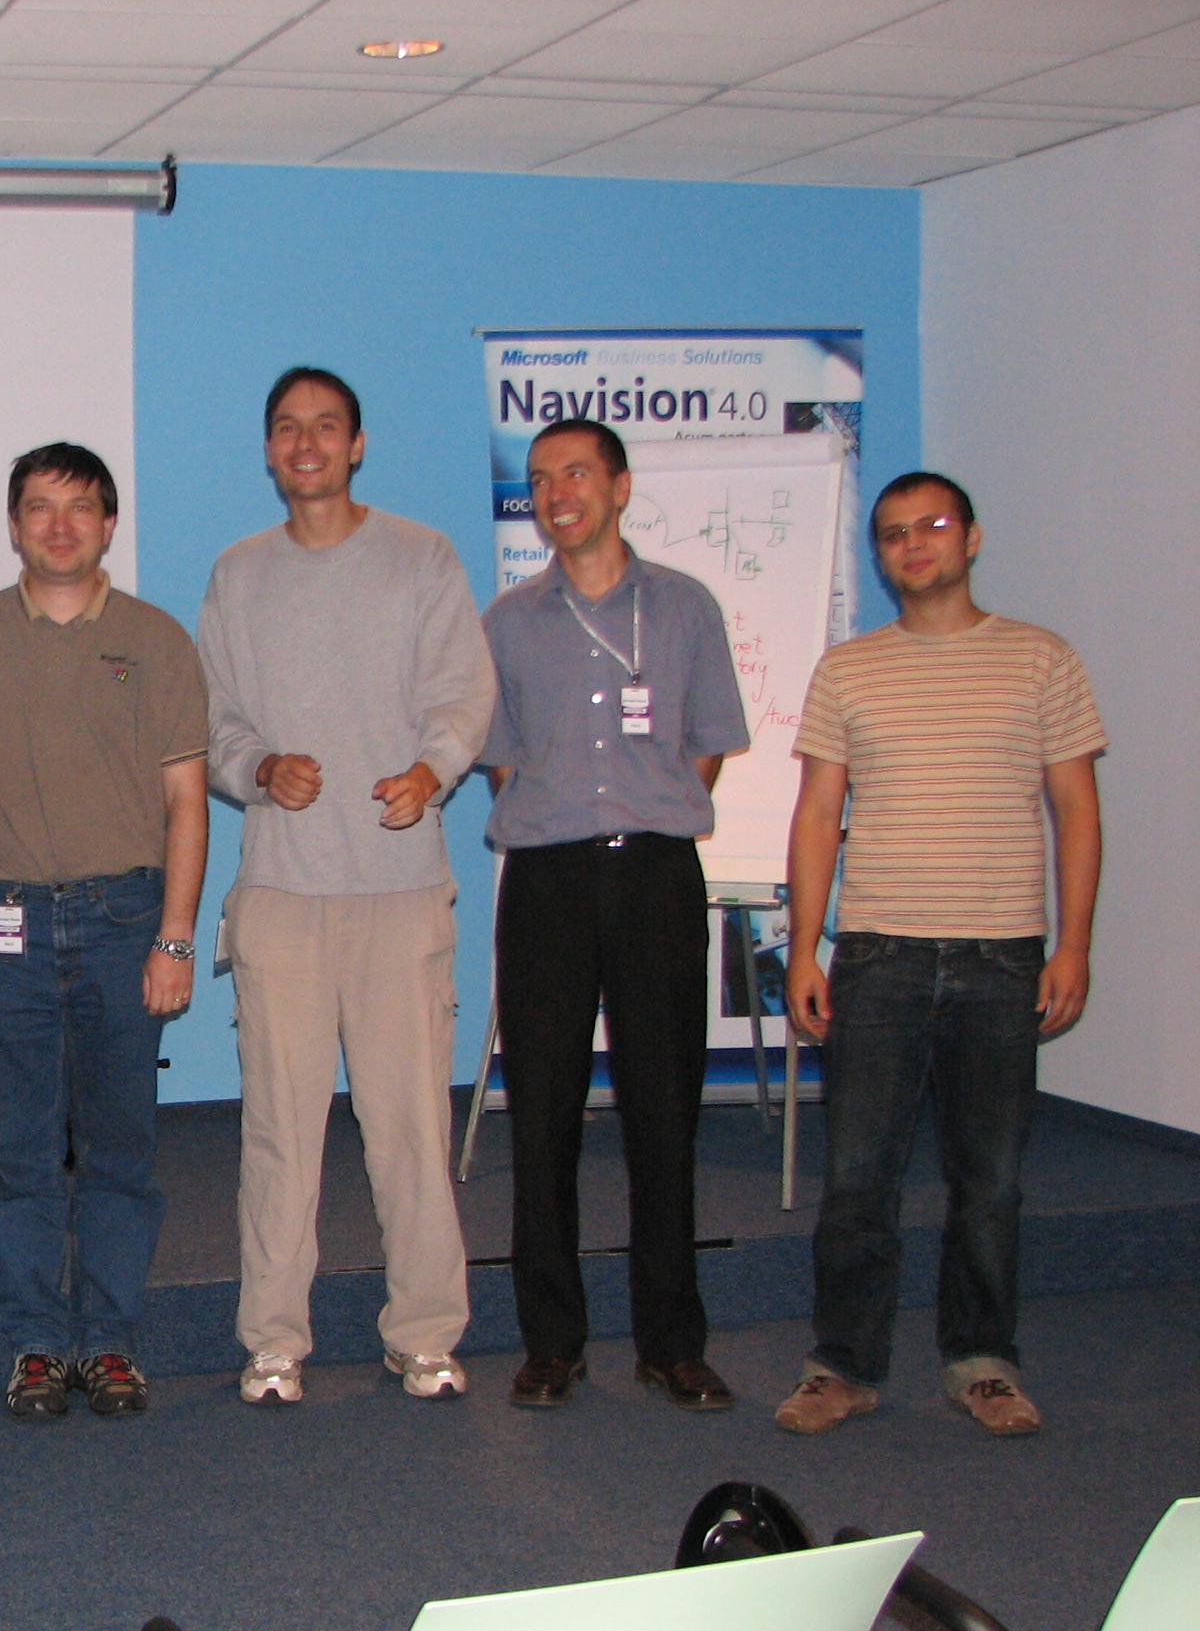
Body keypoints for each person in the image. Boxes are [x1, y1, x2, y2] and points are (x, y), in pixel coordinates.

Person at [774, 472, 1105, 1438]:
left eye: (932, 525)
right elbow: (818, 815)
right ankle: (843, 1367)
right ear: (879, 556)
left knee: (989, 1182)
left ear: (971, 537)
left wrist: (1074, 945)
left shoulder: (1042, 659)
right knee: (856, 1181)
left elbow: (1076, 809)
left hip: (1004, 957)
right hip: (878, 955)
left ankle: (983, 1362)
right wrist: (805, 947)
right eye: (892, 534)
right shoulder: (848, 670)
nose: (913, 544)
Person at [197, 367, 496, 1407]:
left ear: (357, 444)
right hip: (282, 893)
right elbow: (215, 719)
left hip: (398, 889)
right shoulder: (239, 573)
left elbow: (464, 692)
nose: (308, 443)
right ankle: (274, 1339)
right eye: (288, 428)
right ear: (269, 449)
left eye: (327, 426)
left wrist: (432, 770)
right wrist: (257, 768)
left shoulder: (422, 557)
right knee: (280, 1131)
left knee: (409, 1123)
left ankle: (425, 1334)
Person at [479, 418, 752, 1411]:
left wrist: (641, 812)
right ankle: (553, 1342)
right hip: (546, 883)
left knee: (663, 1113)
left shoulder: (685, 608)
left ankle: (671, 1343)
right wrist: (568, 823)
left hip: (655, 880)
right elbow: (501, 757)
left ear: (621, 486)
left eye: (577, 473)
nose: (558, 493)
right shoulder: (507, 622)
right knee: (543, 1116)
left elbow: (707, 744)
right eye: (541, 478)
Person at [0, 443, 208, 1421]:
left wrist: (175, 938)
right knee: (17, 1152)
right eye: (40, 508)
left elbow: (187, 802)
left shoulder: (155, 639)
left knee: (120, 1149)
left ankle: (111, 1341)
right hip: (4, 924)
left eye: (80, 507)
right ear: (14, 525)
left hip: (126, 923)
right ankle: (38, 1346)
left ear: (108, 523)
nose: (60, 525)